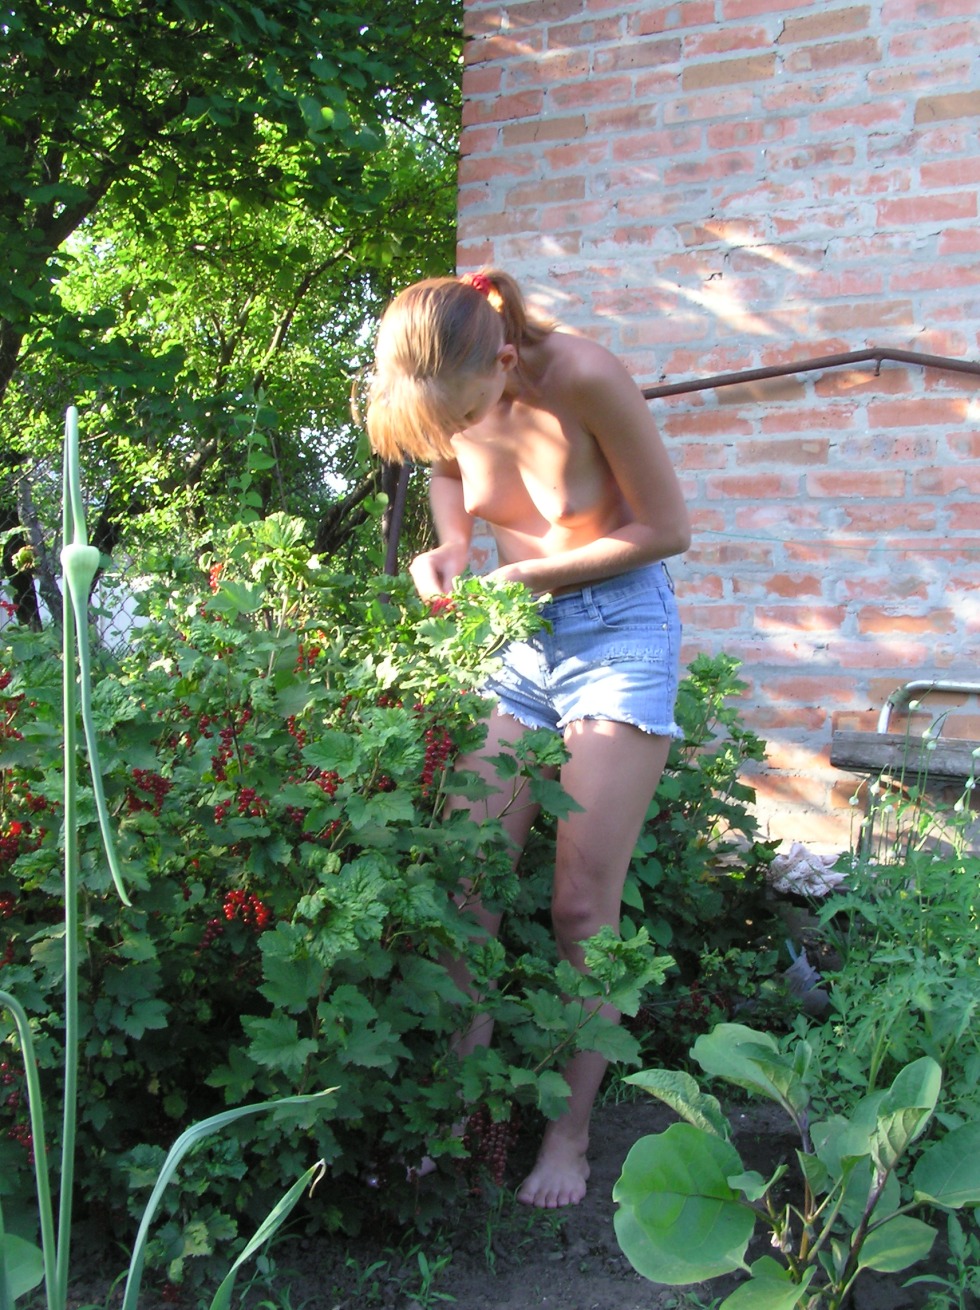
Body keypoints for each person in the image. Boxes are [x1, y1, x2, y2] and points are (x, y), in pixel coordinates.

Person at [364, 269, 690, 1209]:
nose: (452, 434)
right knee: (468, 884)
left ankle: (570, 1135)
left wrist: (526, 579)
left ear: (505, 362)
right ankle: (462, 1115)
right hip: (513, 638)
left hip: (618, 634)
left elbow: (668, 527)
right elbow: (445, 467)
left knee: (582, 908)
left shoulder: (584, 375)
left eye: (460, 413)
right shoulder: (455, 398)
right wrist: (456, 547)